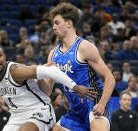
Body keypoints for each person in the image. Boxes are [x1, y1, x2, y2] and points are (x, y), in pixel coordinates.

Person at [0, 43, 95, 131]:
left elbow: (51, 71)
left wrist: (76, 87)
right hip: (17, 116)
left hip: (40, 109)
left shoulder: (16, 71)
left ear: (4, 56)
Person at [48, 2, 115, 131]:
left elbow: (110, 78)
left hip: (94, 102)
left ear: (69, 23)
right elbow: (47, 89)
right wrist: (36, 74)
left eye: (57, 23)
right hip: (75, 110)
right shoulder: (53, 54)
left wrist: (102, 104)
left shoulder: (84, 47)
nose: (53, 27)